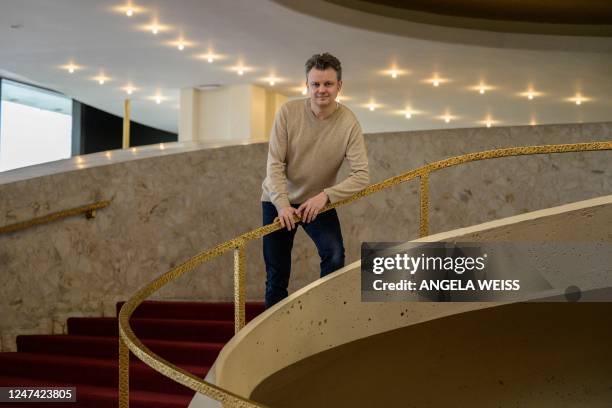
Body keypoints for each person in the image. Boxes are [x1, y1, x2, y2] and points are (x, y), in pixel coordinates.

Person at [261, 52, 370, 308]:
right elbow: (275, 163)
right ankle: (275, 340)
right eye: (316, 84)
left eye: (328, 84)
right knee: (276, 275)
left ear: (339, 86)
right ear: (307, 85)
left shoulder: (349, 123)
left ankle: (325, 319)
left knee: (334, 255)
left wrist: (325, 196)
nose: (322, 90)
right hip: (277, 201)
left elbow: (362, 174)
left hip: (317, 202)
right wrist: (282, 205)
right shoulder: (288, 112)